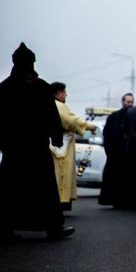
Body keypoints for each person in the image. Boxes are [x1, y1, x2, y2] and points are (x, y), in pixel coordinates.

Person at [0, 43, 73, 241]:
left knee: (11, 189)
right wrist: (56, 137)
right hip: (35, 147)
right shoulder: (40, 87)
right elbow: (52, 116)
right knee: (44, 188)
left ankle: (6, 229)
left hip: (13, 149)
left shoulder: (5, 88)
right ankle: (53, 228)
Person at [50, 81, 98, 211]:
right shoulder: (59, 106)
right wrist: (89, 126)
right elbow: (72, 120)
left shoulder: (51, 104)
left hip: (55, 144)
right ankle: (59, 203)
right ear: (59, 93)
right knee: (60, 175)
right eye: (64, 92)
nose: (66, 95)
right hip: (60, 147)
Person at [99, 93, 135, 209]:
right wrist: (110, 151)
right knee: (115, 180)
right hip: (116, 155)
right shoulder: (114, 117)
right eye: (127, 102)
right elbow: (107, 134)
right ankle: (116, 201)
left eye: (131, 102)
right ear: (123, 102)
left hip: (130, 155)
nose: (129, 104)